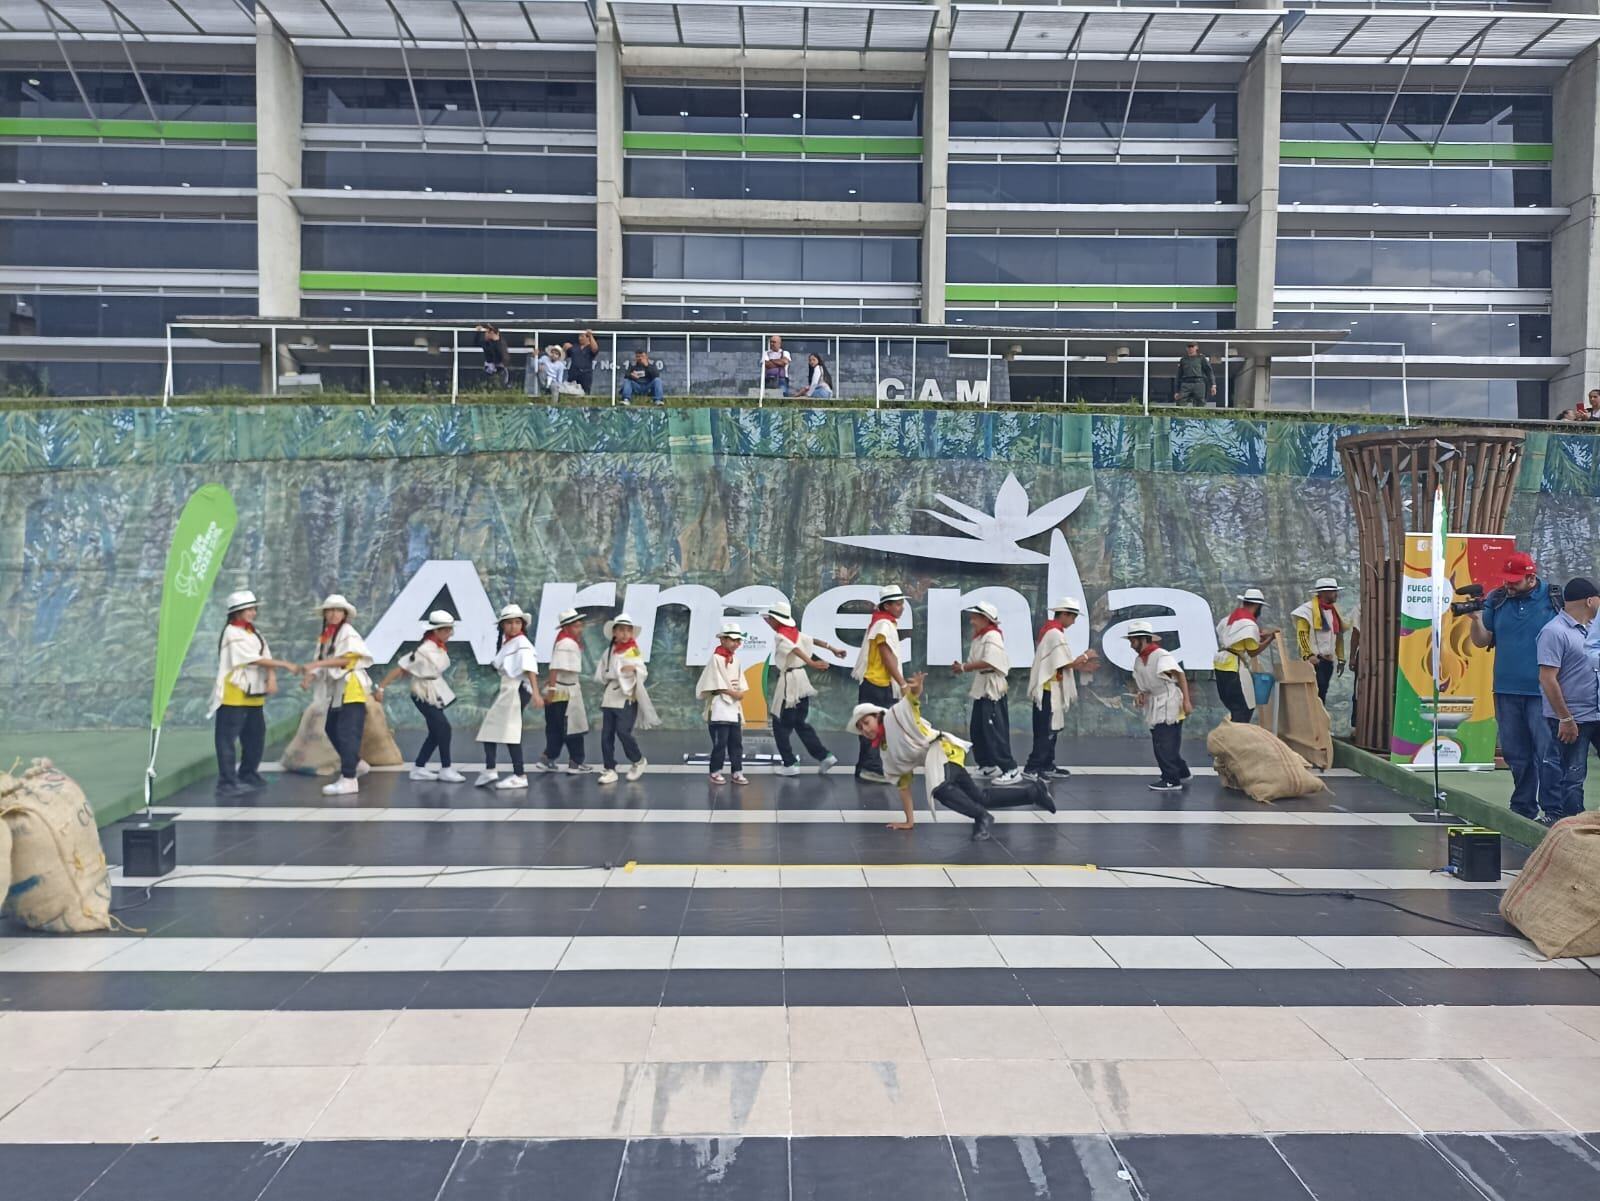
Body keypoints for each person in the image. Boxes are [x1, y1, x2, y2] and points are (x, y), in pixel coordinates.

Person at [1470, 552, 1563, 820]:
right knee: (1515, 753)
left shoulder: (1555, 599)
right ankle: (1523, 806)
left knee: (1547, 753)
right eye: (1506, 579)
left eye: (1515, 580)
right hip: (1505, 690)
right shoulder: (1497, 600)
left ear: (1531, 577)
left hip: (1543, 692)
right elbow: (1482, 640)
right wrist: (1476, 620)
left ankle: (1553, 810)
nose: (1508, 585)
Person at [850, 672, 993, 839]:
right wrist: (909, 821)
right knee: (980, 797)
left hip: (944, 750)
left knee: (940, 788)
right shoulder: (885, 751)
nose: (865, 730)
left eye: (866, 723)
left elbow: (910, 702)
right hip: (937, 759)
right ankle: (1031, 793)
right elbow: (904, 785)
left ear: (878, 716)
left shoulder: (894, 717)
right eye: (860, 728)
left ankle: (982, 816)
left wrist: (916, 689)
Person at [209, 590, 301, 797]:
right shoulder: (232, 632)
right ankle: (226, 782)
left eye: (253, 609)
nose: (253, 613)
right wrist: (285, 665)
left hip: (254, 693)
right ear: (236, 612)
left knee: (255, 737)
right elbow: (252, 659)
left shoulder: (253, 632)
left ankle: (248, 773)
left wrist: (272, 675)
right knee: (227, 738)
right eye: (248, 609)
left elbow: (264, 655)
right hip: (234, 693)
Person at [1535, 577, 1600, 825]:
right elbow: (1548, 679)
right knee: (1572, 774)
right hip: (1573, 717)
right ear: (1590, 600)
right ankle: (1570, 824)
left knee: (1573, 773)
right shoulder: (1554, 632)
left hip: (1597, 712)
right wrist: (1565, 718)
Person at [374, 610, 464, 783]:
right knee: (444, 729)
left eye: (449, 630)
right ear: (436, 631)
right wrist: (381, 688)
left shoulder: (437, 647)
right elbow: (400, 669)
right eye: (446, 630)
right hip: (423, 693)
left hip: (434, 690)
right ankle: (446, 768)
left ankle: (419, 767)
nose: (449, 634)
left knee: (436, 732)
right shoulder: (424, 650)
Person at [300, 594, 374, 796]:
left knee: (347, 731)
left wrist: (316, 665)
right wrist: (310, 676)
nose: (333, 614)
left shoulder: (348, 633)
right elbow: (321, 659)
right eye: (330, 610)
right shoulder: (327, 635)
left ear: (344, 614)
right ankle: (357, 764)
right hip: (339, 689)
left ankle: (349, 779)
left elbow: (344, 661)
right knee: (332, 727)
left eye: (337, 610)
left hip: (351, 687)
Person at [1024, 596, 1098, 781]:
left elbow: (1058, 663)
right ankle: (1033, 767)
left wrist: (1081, 664)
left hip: (1052, 688)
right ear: (1064, 614)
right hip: (1049, 690)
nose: (1073, 622)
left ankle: (1047, 764)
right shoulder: (1054, 634)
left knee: (1051, 729)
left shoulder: (1051, 632)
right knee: (1046, 730)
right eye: (1072, 617)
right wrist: (1085, 657)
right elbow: (1065, 662)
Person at [764, 601, 841, 777]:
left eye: (770, 618)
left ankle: (790, 763)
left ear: (777, 619)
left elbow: (795, 649)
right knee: (800, 723)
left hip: (790, 684)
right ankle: (824, 756)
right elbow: (812, 641)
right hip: (802, 682)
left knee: (779, 724)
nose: (769, 621)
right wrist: (833, 648)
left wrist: (812, 662)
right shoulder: (795, 633)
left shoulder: (781, 636)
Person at [475, 603, 543, 791]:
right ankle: (490, 769)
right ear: (503, 626)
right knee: (491, 728)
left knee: (511, 732)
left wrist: (536, 693)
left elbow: (530, 669)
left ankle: (519, 774)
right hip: (509, 690)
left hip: (517, 690)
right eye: (509, 623)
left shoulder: (522, 644)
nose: (513, 626)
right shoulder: (509, 643)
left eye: (516, 622)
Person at [952, 601, 1020, 783]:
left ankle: (1010, 768)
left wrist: (964, 667)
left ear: (985, 619)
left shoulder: (992, 636)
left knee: (993, 729)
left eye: (975, 617)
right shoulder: (981, 637)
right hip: (982, 685)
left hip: (992, 686)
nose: (972, 621)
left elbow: (990, 661)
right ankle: (987, 764)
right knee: (978, 727)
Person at [853, 584, 910, 784]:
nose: (901, 607)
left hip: (875, 682)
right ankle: (871, 768)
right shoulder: (884, 626)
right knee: (875, 728)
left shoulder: (882, 622)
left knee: (869, 725)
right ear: (886, 606)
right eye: (897, 604)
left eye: (902, 603)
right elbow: (887, 657)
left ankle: (863, 766)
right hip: (877, 683)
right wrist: (902, 683)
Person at [1128, 619, 1193, 792]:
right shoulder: (1139, 660)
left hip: (1169, 702)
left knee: (1165, 743)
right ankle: (1182, 771)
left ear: (1143, 638)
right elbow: (1144, 684)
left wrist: (1187, 701)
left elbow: (1180, 675)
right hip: (1155, 702)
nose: (1131, 644)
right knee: (1164, 742)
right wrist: (1141, 695)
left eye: (1133, 640)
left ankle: (1171, 779)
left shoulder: (1161, 655)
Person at [596, 612, 658, 784]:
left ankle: (638, 760)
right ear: (614, 632)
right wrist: (609, 676)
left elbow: (642, 670)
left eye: (628, 630)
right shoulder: (609, 651)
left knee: (623, 731)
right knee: (606, 735)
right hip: (610, 696)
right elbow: (602, 672)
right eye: (621, 630)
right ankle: (609, 768)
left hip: (626, 696)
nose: (624, 634)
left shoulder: (632, 650)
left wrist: (633, 670)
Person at [537, 608, 590, 774]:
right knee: (572, 727)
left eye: (580, 625)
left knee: (555, 727)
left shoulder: (562, 641)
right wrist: (551, 689)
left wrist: (549, 687)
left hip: (559, 688)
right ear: (566, 627)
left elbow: (555, 669)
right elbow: (555, 667)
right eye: (576, 626)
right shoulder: (567, 643)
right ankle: (576, 762)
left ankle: (547, 758)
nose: (579, 629)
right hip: (565, 691)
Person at [1213, 587, 1277, 724]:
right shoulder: (1249, 624)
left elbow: (1236, 636)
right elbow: (1253, 651)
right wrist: (1270, 639)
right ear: (1257, 605)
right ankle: (1237, 741)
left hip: (1220, 665)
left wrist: (1261, 634)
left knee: (1233, 706)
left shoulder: (1228, 619)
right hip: (1234, 667)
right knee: (1243, 708)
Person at [697, 623, 749, 786]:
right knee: (720, 742)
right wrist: (734, 693)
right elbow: (715, 683)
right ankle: (715, 771)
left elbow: (740, 682)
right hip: (719, 705)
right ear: (723, 640)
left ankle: (737, 771)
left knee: (736, 742)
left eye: (737, 640)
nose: (735, 643)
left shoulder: (736, 660)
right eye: (732, 639)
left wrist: (739, 692)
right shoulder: (715, 658)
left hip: (733, 708)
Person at [1291, 577, 1348, 703]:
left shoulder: (1334, 611)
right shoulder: (1306, 611)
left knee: (1322, 694)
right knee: (1313, 696)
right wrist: (1308, 655)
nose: (1336, 594)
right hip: (1315, 661)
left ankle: (1318, 722)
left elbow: (1338, 636)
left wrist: (1341, 658)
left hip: (1328, 661)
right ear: (1324, 593)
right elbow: (1301, 634)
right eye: (1333, 591)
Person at [1173, 342, 1215, 406]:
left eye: (1192, 346)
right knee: (1180, 402)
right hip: (1186, 383)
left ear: (1196, 347)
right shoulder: (1183, 360)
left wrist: (1213, 385)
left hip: (1199, 383)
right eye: (1189, 347)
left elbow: (1209, 371)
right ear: (1186, 348)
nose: (1191, 348)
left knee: (1200, 403)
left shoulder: (1201, 358)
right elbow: (1179, 375)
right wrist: (1176, 391)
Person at [475, 323, 509, 388]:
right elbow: (476, 343)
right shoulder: (486, 343)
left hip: (499, 369)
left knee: (499, 385)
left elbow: (502, 356)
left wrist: (496, 339)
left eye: (488, 332)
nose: (486, 334)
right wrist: (478, 333)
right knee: (487, 384)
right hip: (489, 369)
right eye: (486, 332)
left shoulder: (501, 343)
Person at [567, 329, 599, 395]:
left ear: (587, 338)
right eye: (579, 336)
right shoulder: (575, 346)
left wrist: (590, 336)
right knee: (570, 392)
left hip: (585, 374)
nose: (579, 338)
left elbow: (595, 349)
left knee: (585, 392)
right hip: (573, 373)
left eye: (582, 336)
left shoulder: (590, 347)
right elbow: (566, 348)